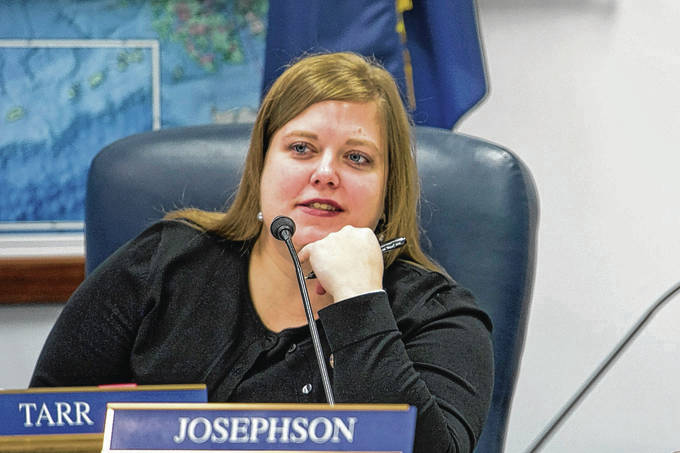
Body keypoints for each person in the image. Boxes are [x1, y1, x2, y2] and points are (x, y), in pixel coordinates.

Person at [31, 52, 493, 452]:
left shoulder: (440, 316)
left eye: (357, 158)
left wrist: (359, 303)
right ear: (261, 166)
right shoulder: (163, 263)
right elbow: (39, 430)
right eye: (301, 148)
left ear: (388, 187)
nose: (326, 173)